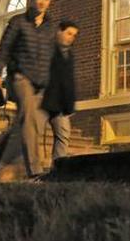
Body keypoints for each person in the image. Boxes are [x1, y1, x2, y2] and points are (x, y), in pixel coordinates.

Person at [0, 0, 56, 179]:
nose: (41, 2)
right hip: (21, 77)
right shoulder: (18, 22)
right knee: (28, 118)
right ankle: (35, 170)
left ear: (49, 2)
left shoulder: (51, 27)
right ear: (32, 1)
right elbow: (5, 47)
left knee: (29, 124)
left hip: (42, 81)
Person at [42, 20, 79, 164]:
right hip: (41, 100)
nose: (71, 38)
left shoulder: (69, 55)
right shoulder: (47, 49)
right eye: (69, 33)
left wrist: (70, 105)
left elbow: (68, 82)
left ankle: (58, 169)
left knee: (63, 135)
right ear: (59, 31)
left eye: (74, 35)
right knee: (26, 135)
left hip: (59, 106)